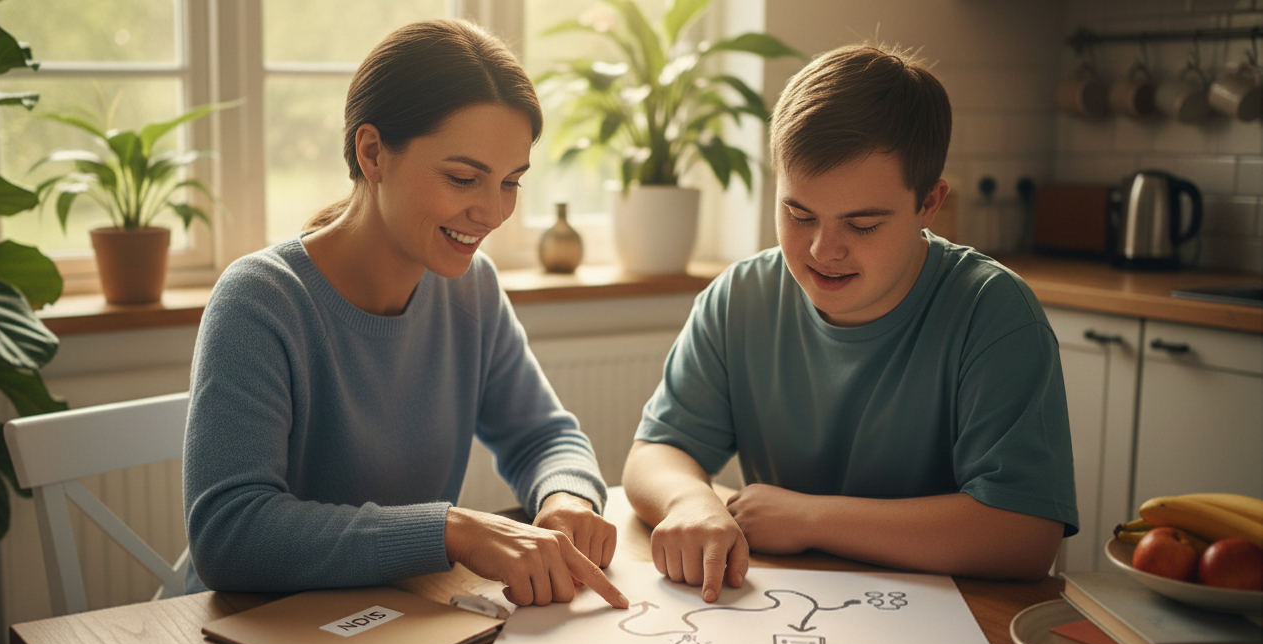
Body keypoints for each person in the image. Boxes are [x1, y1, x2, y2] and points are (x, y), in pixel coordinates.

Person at [184, 19, 627, 610]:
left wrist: (567, 497)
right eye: (463, 178)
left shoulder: (472, 290)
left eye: (511, 182)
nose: (494, 212)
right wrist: (453, 530)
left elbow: (543, 435)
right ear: (372, 153)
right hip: (251, 633)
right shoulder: (261, 299)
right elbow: (230, 534)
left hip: (390, 619)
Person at [623, 44, 1078, 603]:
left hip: (947, 626)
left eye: (862, 224)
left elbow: (1025, 535)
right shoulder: (739, 297)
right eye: (798, 214)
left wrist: (812, 518)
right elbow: (655, 452)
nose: (822, 249)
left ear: (929, 204)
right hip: (781, 609)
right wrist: (690, 500)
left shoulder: (995, 314)